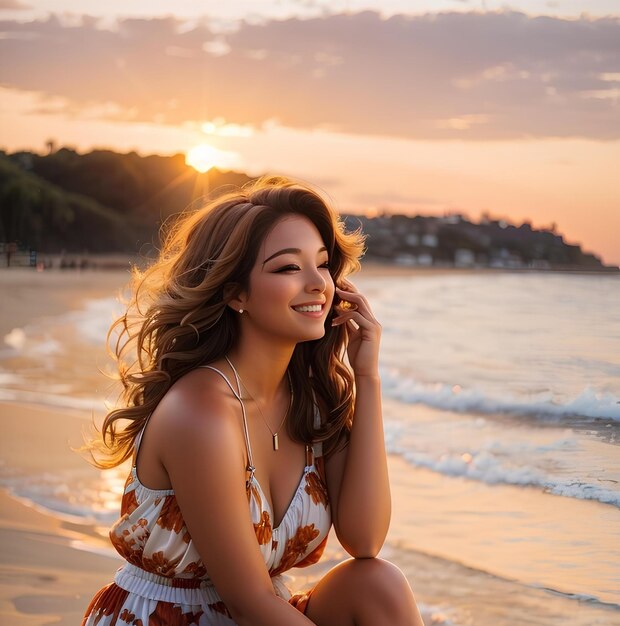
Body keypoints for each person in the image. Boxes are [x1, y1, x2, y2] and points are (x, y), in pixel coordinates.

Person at [82, 176, 424, 625]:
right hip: (175, 618)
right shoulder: (200, 412)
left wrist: (367, 376)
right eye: (288, 268)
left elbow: (365, 540)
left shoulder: (312, 399)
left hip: (260, 615)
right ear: (235, 293)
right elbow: (249, 601)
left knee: (378, 584)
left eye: (322, 264)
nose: (318, 284)